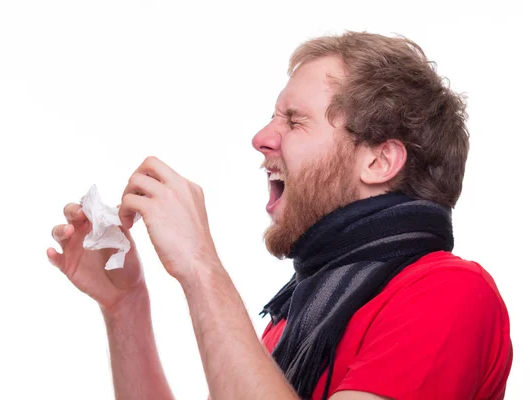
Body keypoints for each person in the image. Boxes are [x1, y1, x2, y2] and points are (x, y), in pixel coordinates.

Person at [47, 31, 512, 400]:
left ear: (378, 161)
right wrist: (125, 306)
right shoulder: (296, 324)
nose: (261, 137)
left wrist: (201, 268)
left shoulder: (449, 294)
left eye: (293, 120)